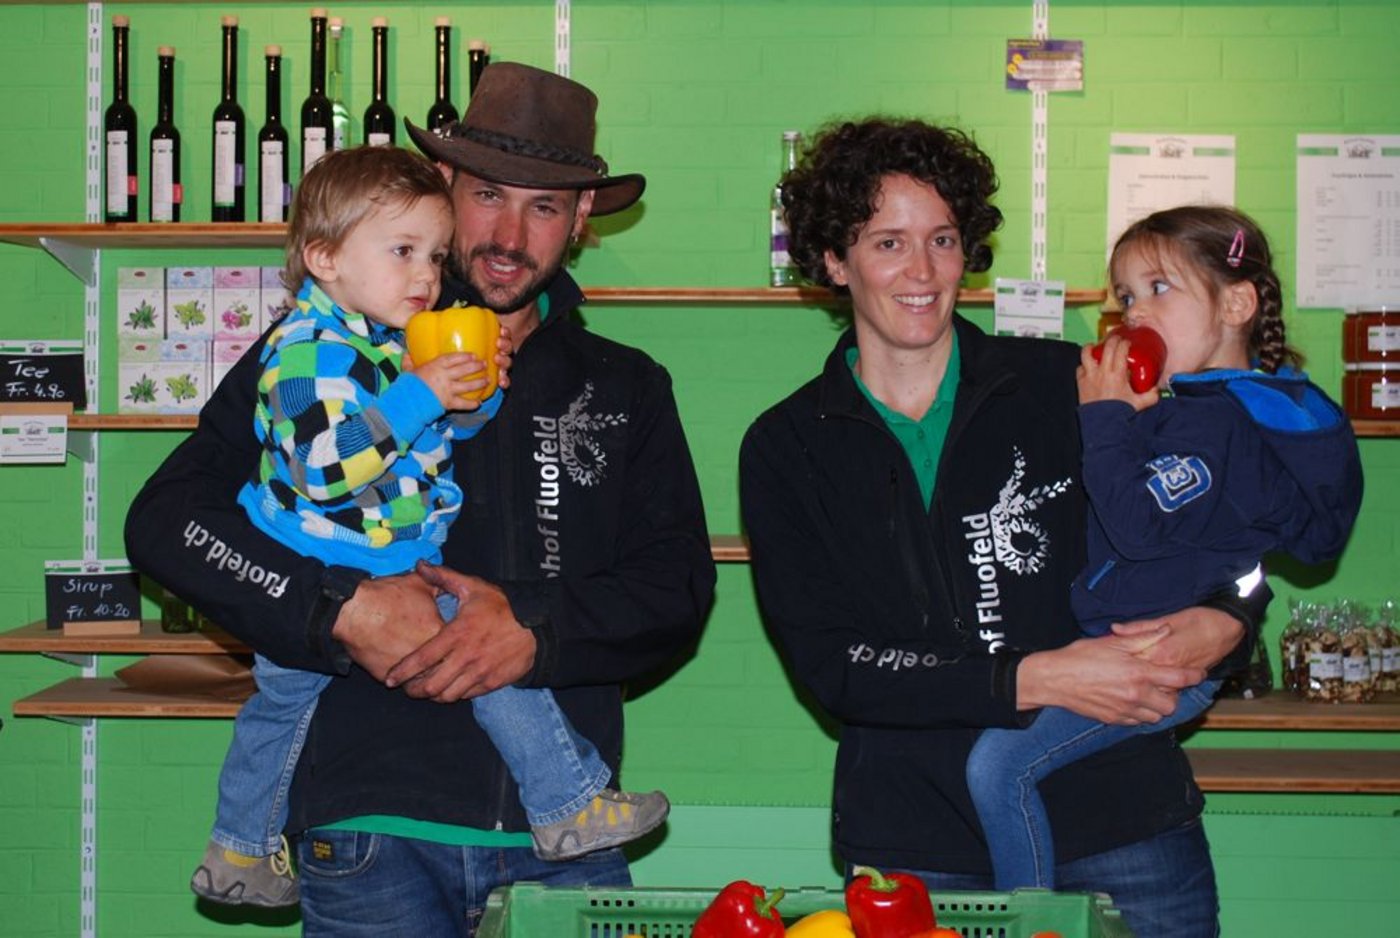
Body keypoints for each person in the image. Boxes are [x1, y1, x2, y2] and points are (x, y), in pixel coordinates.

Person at [125, 62, 714, 937]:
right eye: (487, 195)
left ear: (582, 219)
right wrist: (338, 609)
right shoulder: (325, 350)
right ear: (443, 186)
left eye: (546, 206)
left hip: (569, 838)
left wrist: (532, 629)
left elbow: (676, 593)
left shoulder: (625, 384)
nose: (510, 233)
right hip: (368, 833)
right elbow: (166, 525)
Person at [738, 118, 1271, 938]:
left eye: (943, 239)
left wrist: (1229, 620)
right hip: (916, 848)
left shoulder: (1069, 384)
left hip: (1123, 823)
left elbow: (1224, 523)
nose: (921, 271)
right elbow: (835, 667)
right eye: (887, 243)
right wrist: (1040, 677)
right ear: (835, 262)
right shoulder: (787, 445)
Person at [964, 205, 1362, 892]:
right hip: (1133, 644)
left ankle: (1031, 924)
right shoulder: (1197, 412)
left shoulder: (1216, 427)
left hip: (1159, 665)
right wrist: (1141, 423)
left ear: (1236, 303)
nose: (1134, 313)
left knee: (1000, 767)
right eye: (1124, 296)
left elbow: (1136, 527)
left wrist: (1107, 417)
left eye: (1159, 289)